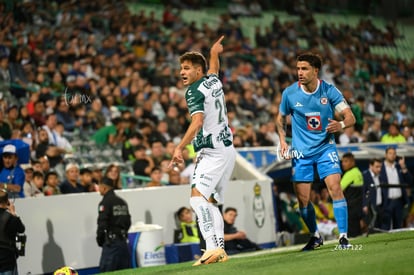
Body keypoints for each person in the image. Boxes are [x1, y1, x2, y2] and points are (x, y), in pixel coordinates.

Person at [275, 53, 356, 251]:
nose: (300, 73)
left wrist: (341, 124)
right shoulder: (290, 93)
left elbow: (350, 116)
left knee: (335, 189)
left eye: (304, 69)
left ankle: (344, 237)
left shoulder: (329, 91)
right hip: (300, 153)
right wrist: (282, 141)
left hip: (325, 149)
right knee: (303, 201)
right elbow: (280, 118)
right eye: (298, 68)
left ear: (315, 71)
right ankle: (315, 236)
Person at [169, 36, 236, 266]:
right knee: (211, 202)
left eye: (186, 68)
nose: (182, 72)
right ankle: (219, 249)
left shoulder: (193, 92)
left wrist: (179, 147)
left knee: (197, 200)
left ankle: (210, 247)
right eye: (181, 68)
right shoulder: (213, 82)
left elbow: (197, 122)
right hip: (228, 150)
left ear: (198, 71)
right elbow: (214, 69)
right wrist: (214, 53)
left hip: (213, 151)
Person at [96, 176, 131, 272]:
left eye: (99, 186)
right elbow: (128, 222)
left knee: (107, 271)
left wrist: (100, 239)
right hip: (123, 242)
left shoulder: (105, 202)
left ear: (104, 187)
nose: (98, 189)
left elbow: (102, 223)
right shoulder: (122, 202)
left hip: (111, 244)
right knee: (124, 272)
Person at [379, 147, 413, 230]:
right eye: (390, 153)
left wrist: (403, 166)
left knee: (398, 226)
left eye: (394, 153)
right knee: (385, 226)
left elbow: (410, 181)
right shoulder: (380, 167)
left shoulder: (399, 166)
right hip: (386, 201)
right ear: (386, 155)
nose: (392, 155)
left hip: (399, 201)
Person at [0, 189, 26, 274]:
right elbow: (21, 229)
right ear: (7, 202)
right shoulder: (10, 218)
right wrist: (13, 213)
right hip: (7, 261)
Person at [340, 152, 363, 237]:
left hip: (350, 208)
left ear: (352, 162)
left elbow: (338, 189)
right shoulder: (358, 172)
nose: (343, 164)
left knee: (351, 235)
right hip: (358, 207)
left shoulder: (350, 174)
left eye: (346, 161)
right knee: (357, 233)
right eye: (342, 161)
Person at [362, 158, 384, 232]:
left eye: (380, 167)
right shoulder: (365, 176)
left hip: (379, 206)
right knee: (371, 229)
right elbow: (362, 192)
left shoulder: (380, 176)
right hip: (370, 207)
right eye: (377, 167)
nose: (379, 169)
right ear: (371, 166)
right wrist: (364, 205)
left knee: (379, 228)